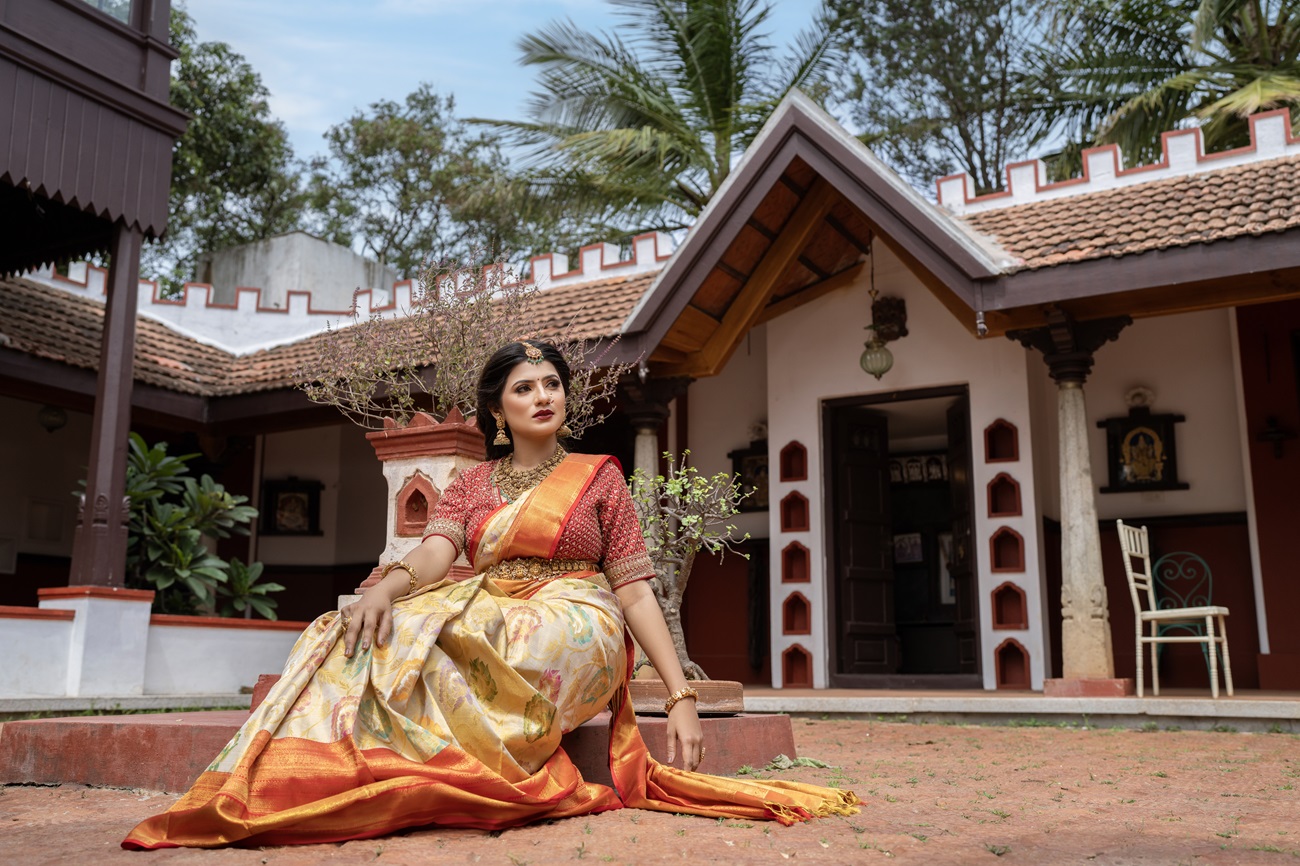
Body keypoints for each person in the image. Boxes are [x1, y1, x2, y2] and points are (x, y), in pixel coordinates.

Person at [123, 340, 857, 849]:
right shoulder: (471, 483)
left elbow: (634, 591)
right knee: (340, 630)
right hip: (483, 599)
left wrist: (681, 694)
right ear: (497, 410)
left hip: (576, 617)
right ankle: (350, 771)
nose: (543, 397)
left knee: (504, 635)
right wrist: (383, 588)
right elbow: (439, 553)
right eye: (524, 389)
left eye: (552, 385)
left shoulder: (601, 476)